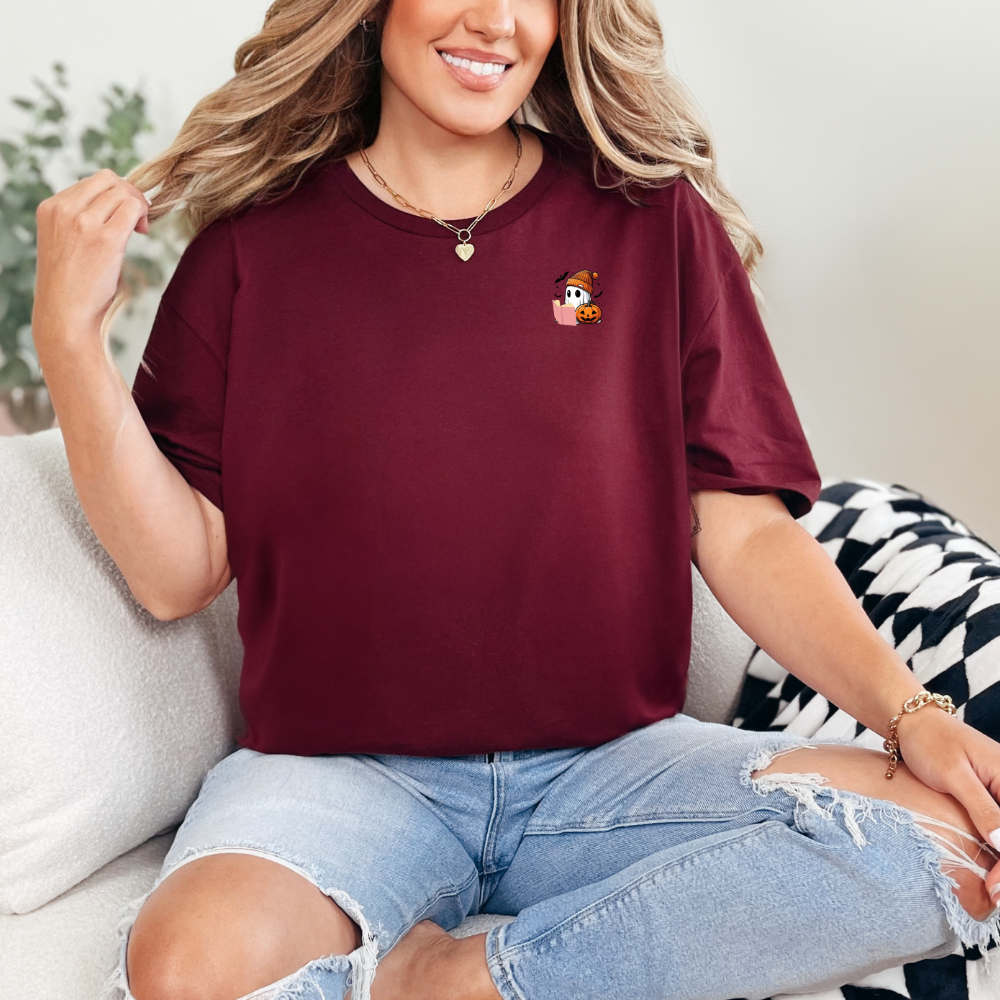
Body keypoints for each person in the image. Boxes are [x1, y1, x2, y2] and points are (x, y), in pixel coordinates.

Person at [31, 1, 1000, 999]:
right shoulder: (251, 250)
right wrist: (69, 344)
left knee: (956, 849)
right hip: (338, 774)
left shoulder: (652, 222)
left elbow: (745, 532)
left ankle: (456, 980)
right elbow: (175, 573)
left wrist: (910, 710)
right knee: (185, 973)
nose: (495, 21)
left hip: (614, 771)